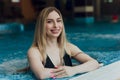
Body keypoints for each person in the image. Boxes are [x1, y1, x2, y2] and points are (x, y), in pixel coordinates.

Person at [27, 7, 100, 79]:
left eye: (58, 21)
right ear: (41, 26)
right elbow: (41, 74)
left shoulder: (69, 47)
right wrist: (65, 71)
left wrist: (73, 70)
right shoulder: (35, 51)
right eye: (49, 21)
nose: (56, 25)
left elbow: (94, 63)